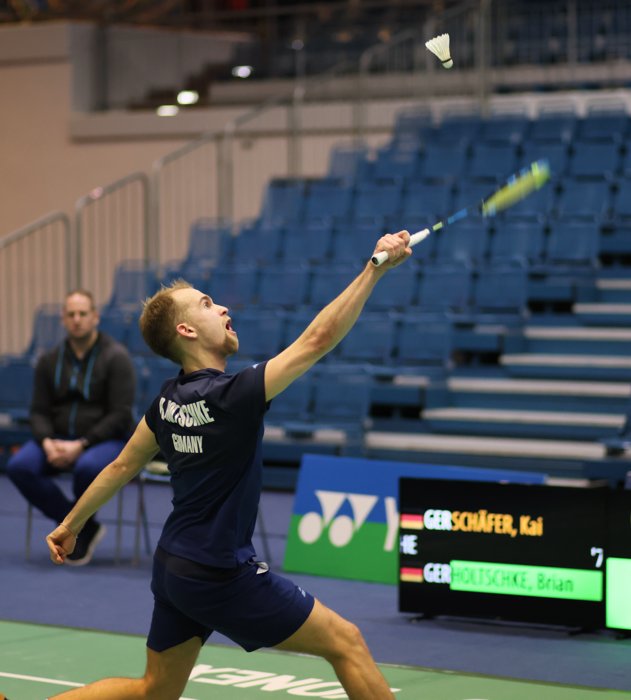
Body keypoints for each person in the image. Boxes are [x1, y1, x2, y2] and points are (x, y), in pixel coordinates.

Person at [45, 231, 411, 700]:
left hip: (175, 568)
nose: (221, 309)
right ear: (186, 331)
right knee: (347, 643)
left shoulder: (166, 402)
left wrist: (69, 524)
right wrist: (374, 270)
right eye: (206, 303)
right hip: (220, 573)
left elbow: (120, 466)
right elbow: (317, 339)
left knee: (153, 691)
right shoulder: (232, 396)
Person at [8, 289, 135, 566]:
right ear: (63, 320)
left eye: (83, 314)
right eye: (71, 314)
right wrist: (46, 442)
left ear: (95, 317)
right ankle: (81, 527)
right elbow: (39, 411)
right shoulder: (48, 360)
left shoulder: (117, 357)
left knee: (87, 468)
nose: (77, 319)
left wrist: (82, 444)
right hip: (56, 439)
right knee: (19, 466)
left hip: (105, 440)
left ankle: (74, 526)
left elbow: (121, 415)